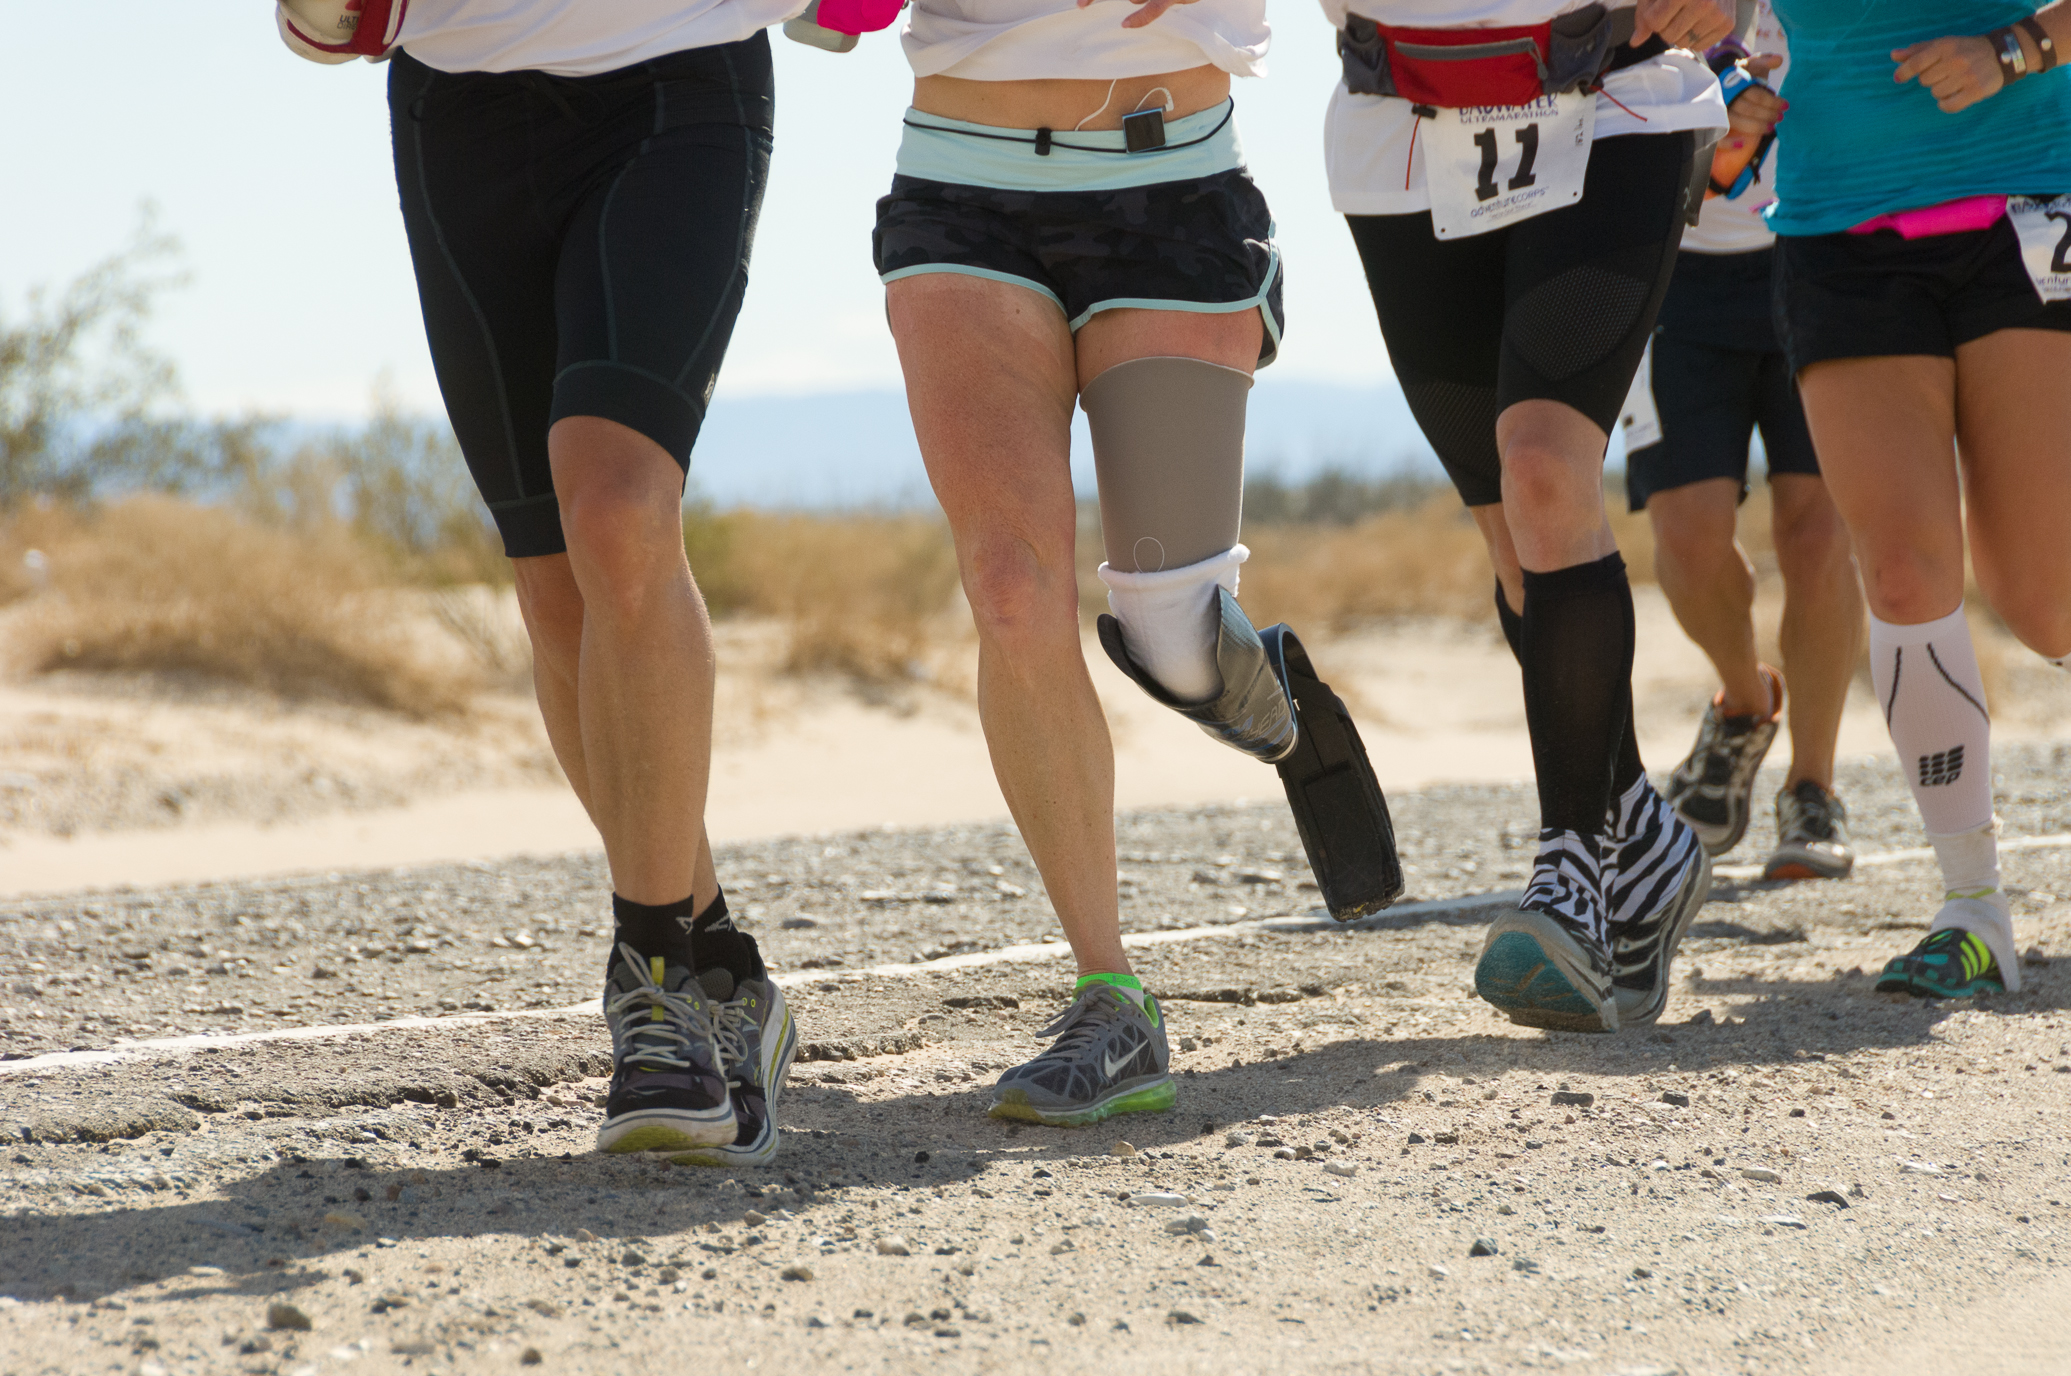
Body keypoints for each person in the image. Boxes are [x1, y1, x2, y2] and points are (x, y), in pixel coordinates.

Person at [275, 0, 799, 1164]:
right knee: (553, 582)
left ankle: (653, 976)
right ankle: (720, 967)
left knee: (616, 508)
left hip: (676, 73)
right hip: (457, 101)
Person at [870, 0, 1397, 1125]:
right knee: (1011, 592)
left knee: (1175, 633)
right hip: (960, 184)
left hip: (1173, 185)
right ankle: (1110, 996)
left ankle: (1271, 698)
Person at [1324, 0, 1734, 1032]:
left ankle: (1571, 869)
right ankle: (1643, 833)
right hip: (1398, 126)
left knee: (1547, 473)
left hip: (1614, 97)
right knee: (1516, 539)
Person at [1765, 0, 2071, 999]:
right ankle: (1972, 908)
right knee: (1899, 570)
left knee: (2045, 598)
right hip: (1838, 225)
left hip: (2032, 191)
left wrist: (2013, 48)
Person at [1618, 1, 1864, 882]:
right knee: (1685, 541)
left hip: (1824, 253)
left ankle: (1812, 788)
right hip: (1674, 276)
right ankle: (1745, 704)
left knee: (1818, 534)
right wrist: (1710, 131)